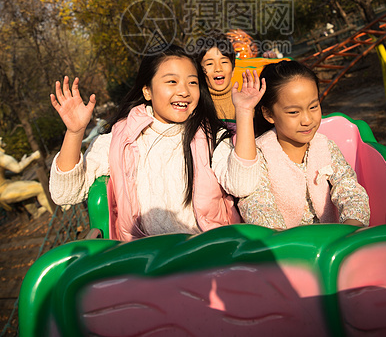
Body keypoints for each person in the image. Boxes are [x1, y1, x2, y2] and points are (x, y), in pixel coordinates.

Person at [49, 45, 257, 241]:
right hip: (146, 262)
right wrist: (75, 132)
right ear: (147, 91)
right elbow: (65, 194)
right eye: (172, 82)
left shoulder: (211, 136)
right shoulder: (122, 138)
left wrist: (245, 113)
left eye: (192, 82)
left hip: (208, 255)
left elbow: (243, 184)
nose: (184, 91)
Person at [224, 61, 370, 230]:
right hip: (286, 248)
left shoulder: (325, 147)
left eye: (313, 107)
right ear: (269, 114)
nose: (307, 120)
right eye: (294, 112)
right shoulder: (260, 154)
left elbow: (350, 189)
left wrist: (352, 226)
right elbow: (258, 204)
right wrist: (281, 240)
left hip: (334, 242)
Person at [0, 138, 53, 215]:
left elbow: (10, 171)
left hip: (5, 189)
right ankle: (56, 211)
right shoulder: (1, 157)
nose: (1, 138)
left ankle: (36, 213)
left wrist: (22, 163)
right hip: (4, 192)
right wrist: (33, 157)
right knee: (40, 188)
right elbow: (17, 168)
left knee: (29, 189)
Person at [196, 32, 236, 121]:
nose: (218, 69)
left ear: (233, 70)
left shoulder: (246, 103)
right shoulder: (194, 105)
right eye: (209, 63)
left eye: (224, 62)